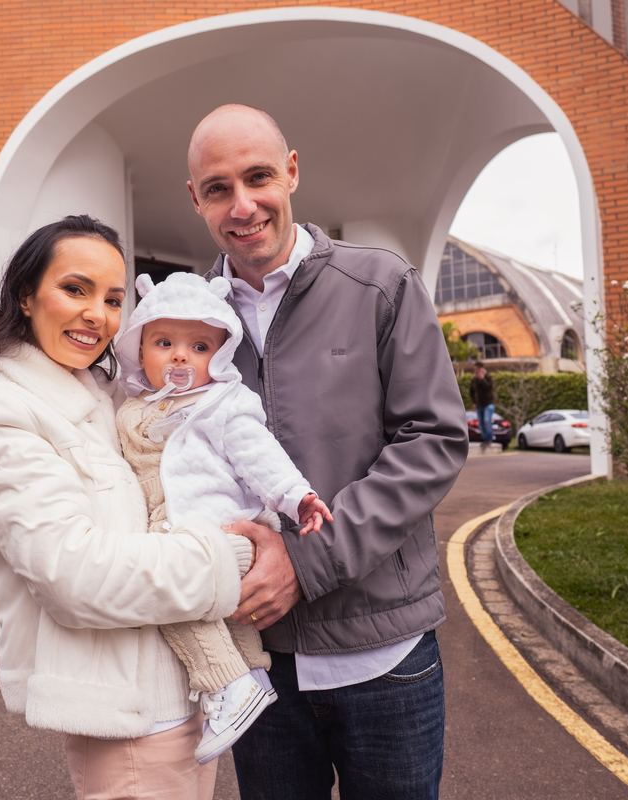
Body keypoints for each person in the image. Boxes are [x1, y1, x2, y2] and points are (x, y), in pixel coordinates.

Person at [184, 104, 469, 799]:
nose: (242, 205)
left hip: (388, 661)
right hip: (258, 666)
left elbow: (432, 440)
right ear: (195, 200)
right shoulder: (186, 321)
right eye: (218, 188)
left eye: (258, 177)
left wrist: (305, 562)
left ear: (292, 172)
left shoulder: (381, 285)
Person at [0, 215, 257, 800]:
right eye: (75, 289)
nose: (97, 315)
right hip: (130, 721)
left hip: (184, 698)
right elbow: (76, 576)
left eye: (113, 300)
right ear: (26, 297)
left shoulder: (105, 395)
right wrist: (233, 555)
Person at [112, 269, 333, 764]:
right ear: (139, 347)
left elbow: (261, 455)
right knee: (222, 612)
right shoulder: (135, 404)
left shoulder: (222, 402)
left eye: (199, 347)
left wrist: (296, 497)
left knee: (167, 593)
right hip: (172, 522)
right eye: (164, 342)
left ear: (222, 353)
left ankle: (227, 684)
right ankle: (252, 673)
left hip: (214, 523)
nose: (179, 357)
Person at [470, 362, 497, 453]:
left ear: (482, 368)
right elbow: (471, 391)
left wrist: (482, 379)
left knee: (486, 420)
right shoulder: (474, 379)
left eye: (477, 368)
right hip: (479, 405)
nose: (476, 370)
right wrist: (474, 402)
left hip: (489, 403)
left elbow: (489, 388)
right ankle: (485, 439)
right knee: (481, 423)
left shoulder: (488, 377)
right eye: (475, 368)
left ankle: (490, 438)